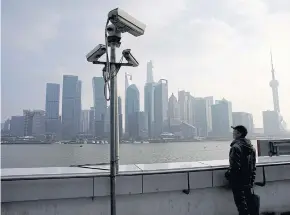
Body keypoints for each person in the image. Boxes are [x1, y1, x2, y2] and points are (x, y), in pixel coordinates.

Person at [225, 125, 257, 215]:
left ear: (239, 134)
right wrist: (252, 180)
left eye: (234, 131)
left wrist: (228, 175)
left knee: (241, 205)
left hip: (238, 182)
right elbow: (253, 165)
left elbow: (234, 166)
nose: (233, 133)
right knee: (249, 204)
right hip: (248, 181)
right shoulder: (251, 148)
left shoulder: (235, 147)